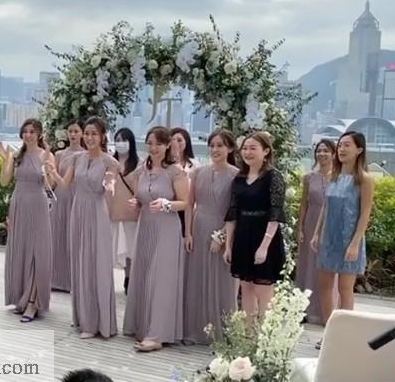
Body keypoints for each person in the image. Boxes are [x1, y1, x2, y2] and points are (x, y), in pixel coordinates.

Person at [47, 117, 118, 339]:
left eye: (94, 133)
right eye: (86, 133)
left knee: (95, 264)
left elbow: (110, 183)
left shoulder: (110, 162)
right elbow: (64, 183)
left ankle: (97, 322)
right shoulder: (77, 158)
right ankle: (82, 317)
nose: (89, 137)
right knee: (79, 263)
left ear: (102, 136)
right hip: (77, 211)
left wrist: (110, 185)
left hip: (96, 213)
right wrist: (52, 172)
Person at [123, 126, 189, 352]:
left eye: (158, 144)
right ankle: (142, 326)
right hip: (145, 227)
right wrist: (136, 202)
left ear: (167, 145)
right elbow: (139, 197)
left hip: (167, 228)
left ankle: (157, 334)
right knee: (143, 274)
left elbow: (186, 202)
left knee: (161, 279)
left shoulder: (175, 171)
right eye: (150, 143)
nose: (153, 148)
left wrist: (166, 204)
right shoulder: (143, 169)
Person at [312, 131, 374, 347]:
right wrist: (317, 233)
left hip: (349, 239)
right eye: (340, 145)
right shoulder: (333, 175)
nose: (341, 149)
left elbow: (365, 213)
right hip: (328, 237)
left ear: (359, 150)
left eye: (347, 145)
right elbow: (325, 207)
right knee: (324, 288)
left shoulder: (364, 179)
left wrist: (355, 242)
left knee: (345, 289)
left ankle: (345, 335)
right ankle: (329, 332)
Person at [224, 131, 286, 327]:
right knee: (246, 288)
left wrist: (264, 246)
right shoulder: (239, 179)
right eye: (245, 148)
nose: (248, 152)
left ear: (266, 151)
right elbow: (233, 212)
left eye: (253, 148)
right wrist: (228, 245)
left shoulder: (273, 177)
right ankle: (249, 335)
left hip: (264, 235)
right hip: (243, 235)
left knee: (263, 289)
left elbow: (275, 214)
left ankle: (265, 336)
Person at [183, 129, 239, 344]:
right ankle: (194, 330)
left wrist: (222, 236)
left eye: (220, 145)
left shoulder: (236, 176)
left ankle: (222, 332)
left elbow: (236, 210)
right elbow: (189, 204)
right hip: (198, 227)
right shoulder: (198, 172)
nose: (215, 149)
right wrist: (188, 233)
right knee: (196, 278)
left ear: (230, 149)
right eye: (212, 145)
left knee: (221, 281)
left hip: (222, 229)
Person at [0, 118, 54, 323]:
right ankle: (21, 299)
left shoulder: (46, 155)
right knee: (20, 250)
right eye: (25, 131)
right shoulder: (17, 155)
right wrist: (5, 159)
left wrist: (47, 169)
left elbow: (51, 185)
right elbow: (4, 181)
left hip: (38, 206)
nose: (28, 135)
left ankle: (33, 302)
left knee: (37, 253)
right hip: (18, 204)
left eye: (32, 131)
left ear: (39, 134)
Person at [295, 139, 337, 324]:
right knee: (308, 265)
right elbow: (304, 204)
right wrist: (300, 229)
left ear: (333, 154)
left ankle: (327, 310)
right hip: (310, 223)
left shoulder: (339, 177)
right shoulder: (309, 178)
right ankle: (305, 309)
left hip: (331, 224)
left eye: (326, 151)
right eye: (319, 151)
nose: (321, 154)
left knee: (326, 267)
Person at [50, 120, 85, 292]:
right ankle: (55, 279)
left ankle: (74, 281)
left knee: (75, 237)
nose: (73, 134)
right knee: (57, 235)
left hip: (78, 197)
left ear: (82, 133)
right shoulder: (59, 154)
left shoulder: (86, 155)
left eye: (76, 131)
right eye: (70, 131)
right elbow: (53, 180)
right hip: (61, 197)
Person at [109, 127, 140, 294]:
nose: (121, 143)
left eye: (124, 140)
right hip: (112, 212)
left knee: (130, 250)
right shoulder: (110, 162)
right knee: (111, 247)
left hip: (130, 214)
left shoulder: (139, 164)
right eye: (118, 140)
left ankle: (129, 279)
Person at [170, 128, 199, 239]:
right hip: (171, 208)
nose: (176, 143)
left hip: (189, 209)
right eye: (173, 140)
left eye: (179, 140)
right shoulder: (166, 164)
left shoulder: (195, 164)